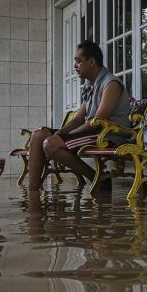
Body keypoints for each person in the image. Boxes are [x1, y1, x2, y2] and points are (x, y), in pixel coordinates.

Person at [27, 40, 131, 190]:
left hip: (107, 134)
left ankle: (98, 178)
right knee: (38, 135)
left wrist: (63, 137)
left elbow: (98, 121)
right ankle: (33, 193)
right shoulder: (91, 86)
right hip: (92, 131)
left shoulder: (111, 84)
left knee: (51, 145)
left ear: (91, 61)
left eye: (78, 61)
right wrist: (60, 133)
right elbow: (77, 119)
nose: (75, 66)